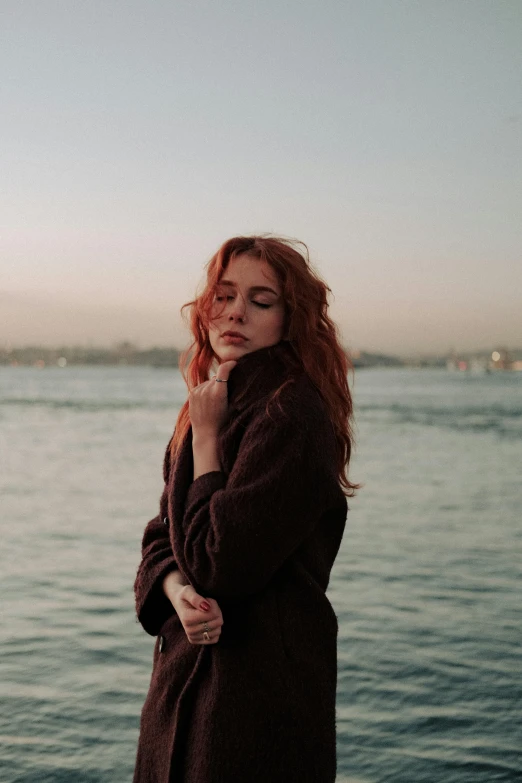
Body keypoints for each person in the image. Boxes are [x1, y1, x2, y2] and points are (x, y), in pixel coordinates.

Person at [133, 235, 358, 783]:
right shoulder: (211, 398)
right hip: (185, 676)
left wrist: (207, 441)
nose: (236, 311)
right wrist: (175, 592)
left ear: (291, 318)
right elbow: (165, 534)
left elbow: (220, 561)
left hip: (257, 694)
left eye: (261, 301)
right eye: (225, 295)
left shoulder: (292, 413)